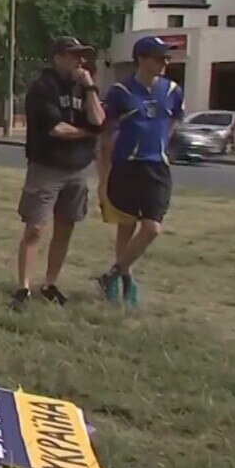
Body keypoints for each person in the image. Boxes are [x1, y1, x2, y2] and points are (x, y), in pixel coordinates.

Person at [11, 36, 105, 310]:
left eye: (82, 56)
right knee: (35, 228)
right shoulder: (43, 88)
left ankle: (50, 283)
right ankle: (23, 287)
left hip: (77, 169)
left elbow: (99, 120)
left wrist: (90, 88)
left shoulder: (85, 88)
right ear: (57, 57)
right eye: (74, 55)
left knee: (66, 227)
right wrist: (88, 133)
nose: (80, 61)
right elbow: (57, 128)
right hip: (47, 167)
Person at [96, 36, 184, 307]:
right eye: (159, 57)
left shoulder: (172, 90)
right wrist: (103, 175)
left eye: (167, 57)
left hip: (156, 167)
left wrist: (160, 146)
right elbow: (107, 135)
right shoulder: (121, 91)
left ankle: (113, 274)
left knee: (152, 228)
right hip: (127, 166)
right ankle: (125, 279)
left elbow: (172, 121)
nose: (165, 62)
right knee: (126, 226)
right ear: (142, 59)